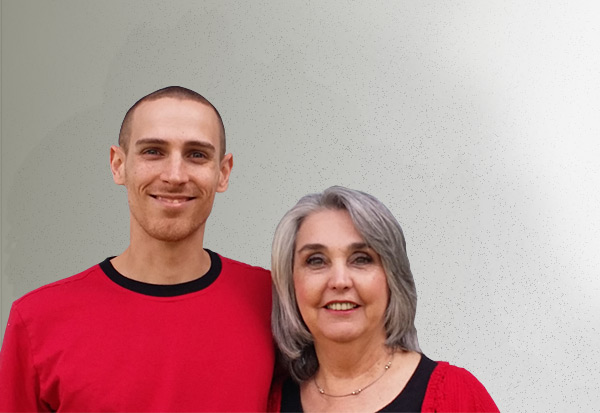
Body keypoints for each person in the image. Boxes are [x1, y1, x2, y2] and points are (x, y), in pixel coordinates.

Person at [0, 86, 274, 412]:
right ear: (118, 165)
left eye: (197, 155)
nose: (175, 176)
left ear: (223, 173)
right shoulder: (37, 322)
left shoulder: (274, 303)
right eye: (153, 152)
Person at [269, 186, 499, 412]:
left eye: (361, 259)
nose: (339, 281)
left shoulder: (458, 397)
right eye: (316, 261)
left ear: (392, 278)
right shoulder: (267, 403)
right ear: (290, 281)